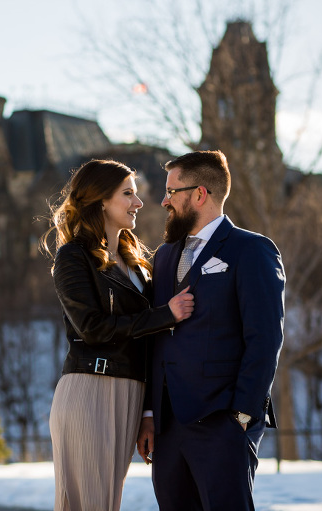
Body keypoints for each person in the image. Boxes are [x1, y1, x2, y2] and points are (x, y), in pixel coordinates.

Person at [136, 150, 284, 511]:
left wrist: (242, 417)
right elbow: (157, 337)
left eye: (172, 191)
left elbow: (265, 340)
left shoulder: (252, 250)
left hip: (223, 424)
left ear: (200, 194)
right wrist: (150, 413)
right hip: (168, 430)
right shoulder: (167, 255)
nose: (164, 200)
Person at [44, 159, 195, 511]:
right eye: (128, 194)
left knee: (107, 503)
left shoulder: (136, 262)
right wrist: (165, 315)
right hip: (90, 390)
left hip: (130, 393)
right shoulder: (73, 257)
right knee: (88, 504)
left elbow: (146, 345)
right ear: (100, 201)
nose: (138, 203)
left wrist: (146, 413)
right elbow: (93, 329)